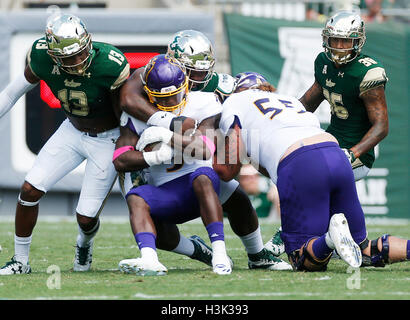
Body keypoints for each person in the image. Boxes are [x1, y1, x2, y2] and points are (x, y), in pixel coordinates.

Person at [119, 31, 290, 271]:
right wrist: (164, 121)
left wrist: (170, 134)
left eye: (202, 71)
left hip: (196, 159)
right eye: (192, 71)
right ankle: (194, 249)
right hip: (155, 171)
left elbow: (247, 102)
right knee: (156, 226)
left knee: (237, 196)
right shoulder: (152, 75)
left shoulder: (213, 90)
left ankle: (257, 254)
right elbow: (127, 99)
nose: (197, 78)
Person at [212, 72, 410, 271]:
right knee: (364, 249)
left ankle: (330, 239)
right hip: (335, 154)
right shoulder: (288, 101)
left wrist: (206, 154)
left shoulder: (235, 101)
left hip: (300, 162)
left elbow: (226, 170)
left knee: (300, 258)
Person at [0, 14, 129, 274]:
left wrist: (128, 149)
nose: (78, 61)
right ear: (53, 55)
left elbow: (125, 114)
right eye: (69, 57)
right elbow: (11, 93)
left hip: (107, 138)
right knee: (29, 190)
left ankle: (84, 244)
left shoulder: (109, 63)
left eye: (81, 53)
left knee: (86, 218)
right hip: (71, 131)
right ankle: (20, 261)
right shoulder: (40, 55)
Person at [113, 54, 232, 275]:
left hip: (199, 186)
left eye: (174, 95)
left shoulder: (204, 102)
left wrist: (166, 136)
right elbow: (120, 159)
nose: (169, 103)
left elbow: (205, 149)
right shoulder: (138, 115)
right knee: (136, 197)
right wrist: (155, 157)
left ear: (185, 86)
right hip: (167, 192)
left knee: (205, 177)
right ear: (148, 93)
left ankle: (220, 253)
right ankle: (149, 259)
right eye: (161, 98)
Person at [299, 10, 389, 182]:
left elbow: (382, 126)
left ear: (357, 41)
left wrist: (352, 153)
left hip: (358, 154)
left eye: (346, 41)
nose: (339, 46)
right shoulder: (324, 62)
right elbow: (306, 104)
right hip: (331, 141)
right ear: (327, 39)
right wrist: (282, 114)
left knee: (315, 178)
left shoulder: (367, 72)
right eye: (335, 39)